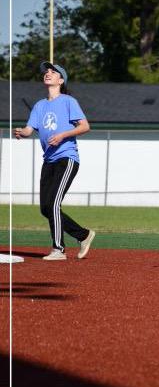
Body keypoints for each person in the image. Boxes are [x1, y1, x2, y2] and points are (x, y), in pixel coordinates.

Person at [14, 61, 95, 261]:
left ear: (61, 80)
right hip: (48, 160)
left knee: (53, 203)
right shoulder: (39, 106)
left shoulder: (68, 101)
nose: (48, 74)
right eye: (46, 72)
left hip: (66, 158)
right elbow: (29, 129)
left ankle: (58, 249)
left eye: (53, 72)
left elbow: (85, 126)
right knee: (45, 208)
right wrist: (22, 133)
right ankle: (83, 235)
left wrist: (63, 135)